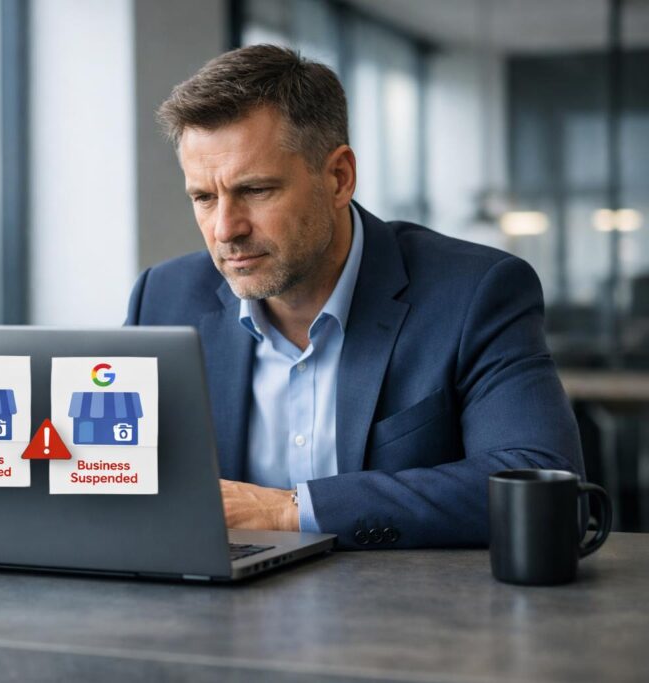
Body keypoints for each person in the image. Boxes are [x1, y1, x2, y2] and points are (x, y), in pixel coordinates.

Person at [125, 44, 583, 548]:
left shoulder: (476, 291)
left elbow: (542, 482)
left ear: (339, 177)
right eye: (204, 198)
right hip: (217, 613)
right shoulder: (163, 298)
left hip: (406, 617)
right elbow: (113, 472)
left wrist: (289, 511)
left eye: (255, 190)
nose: (225, 229)